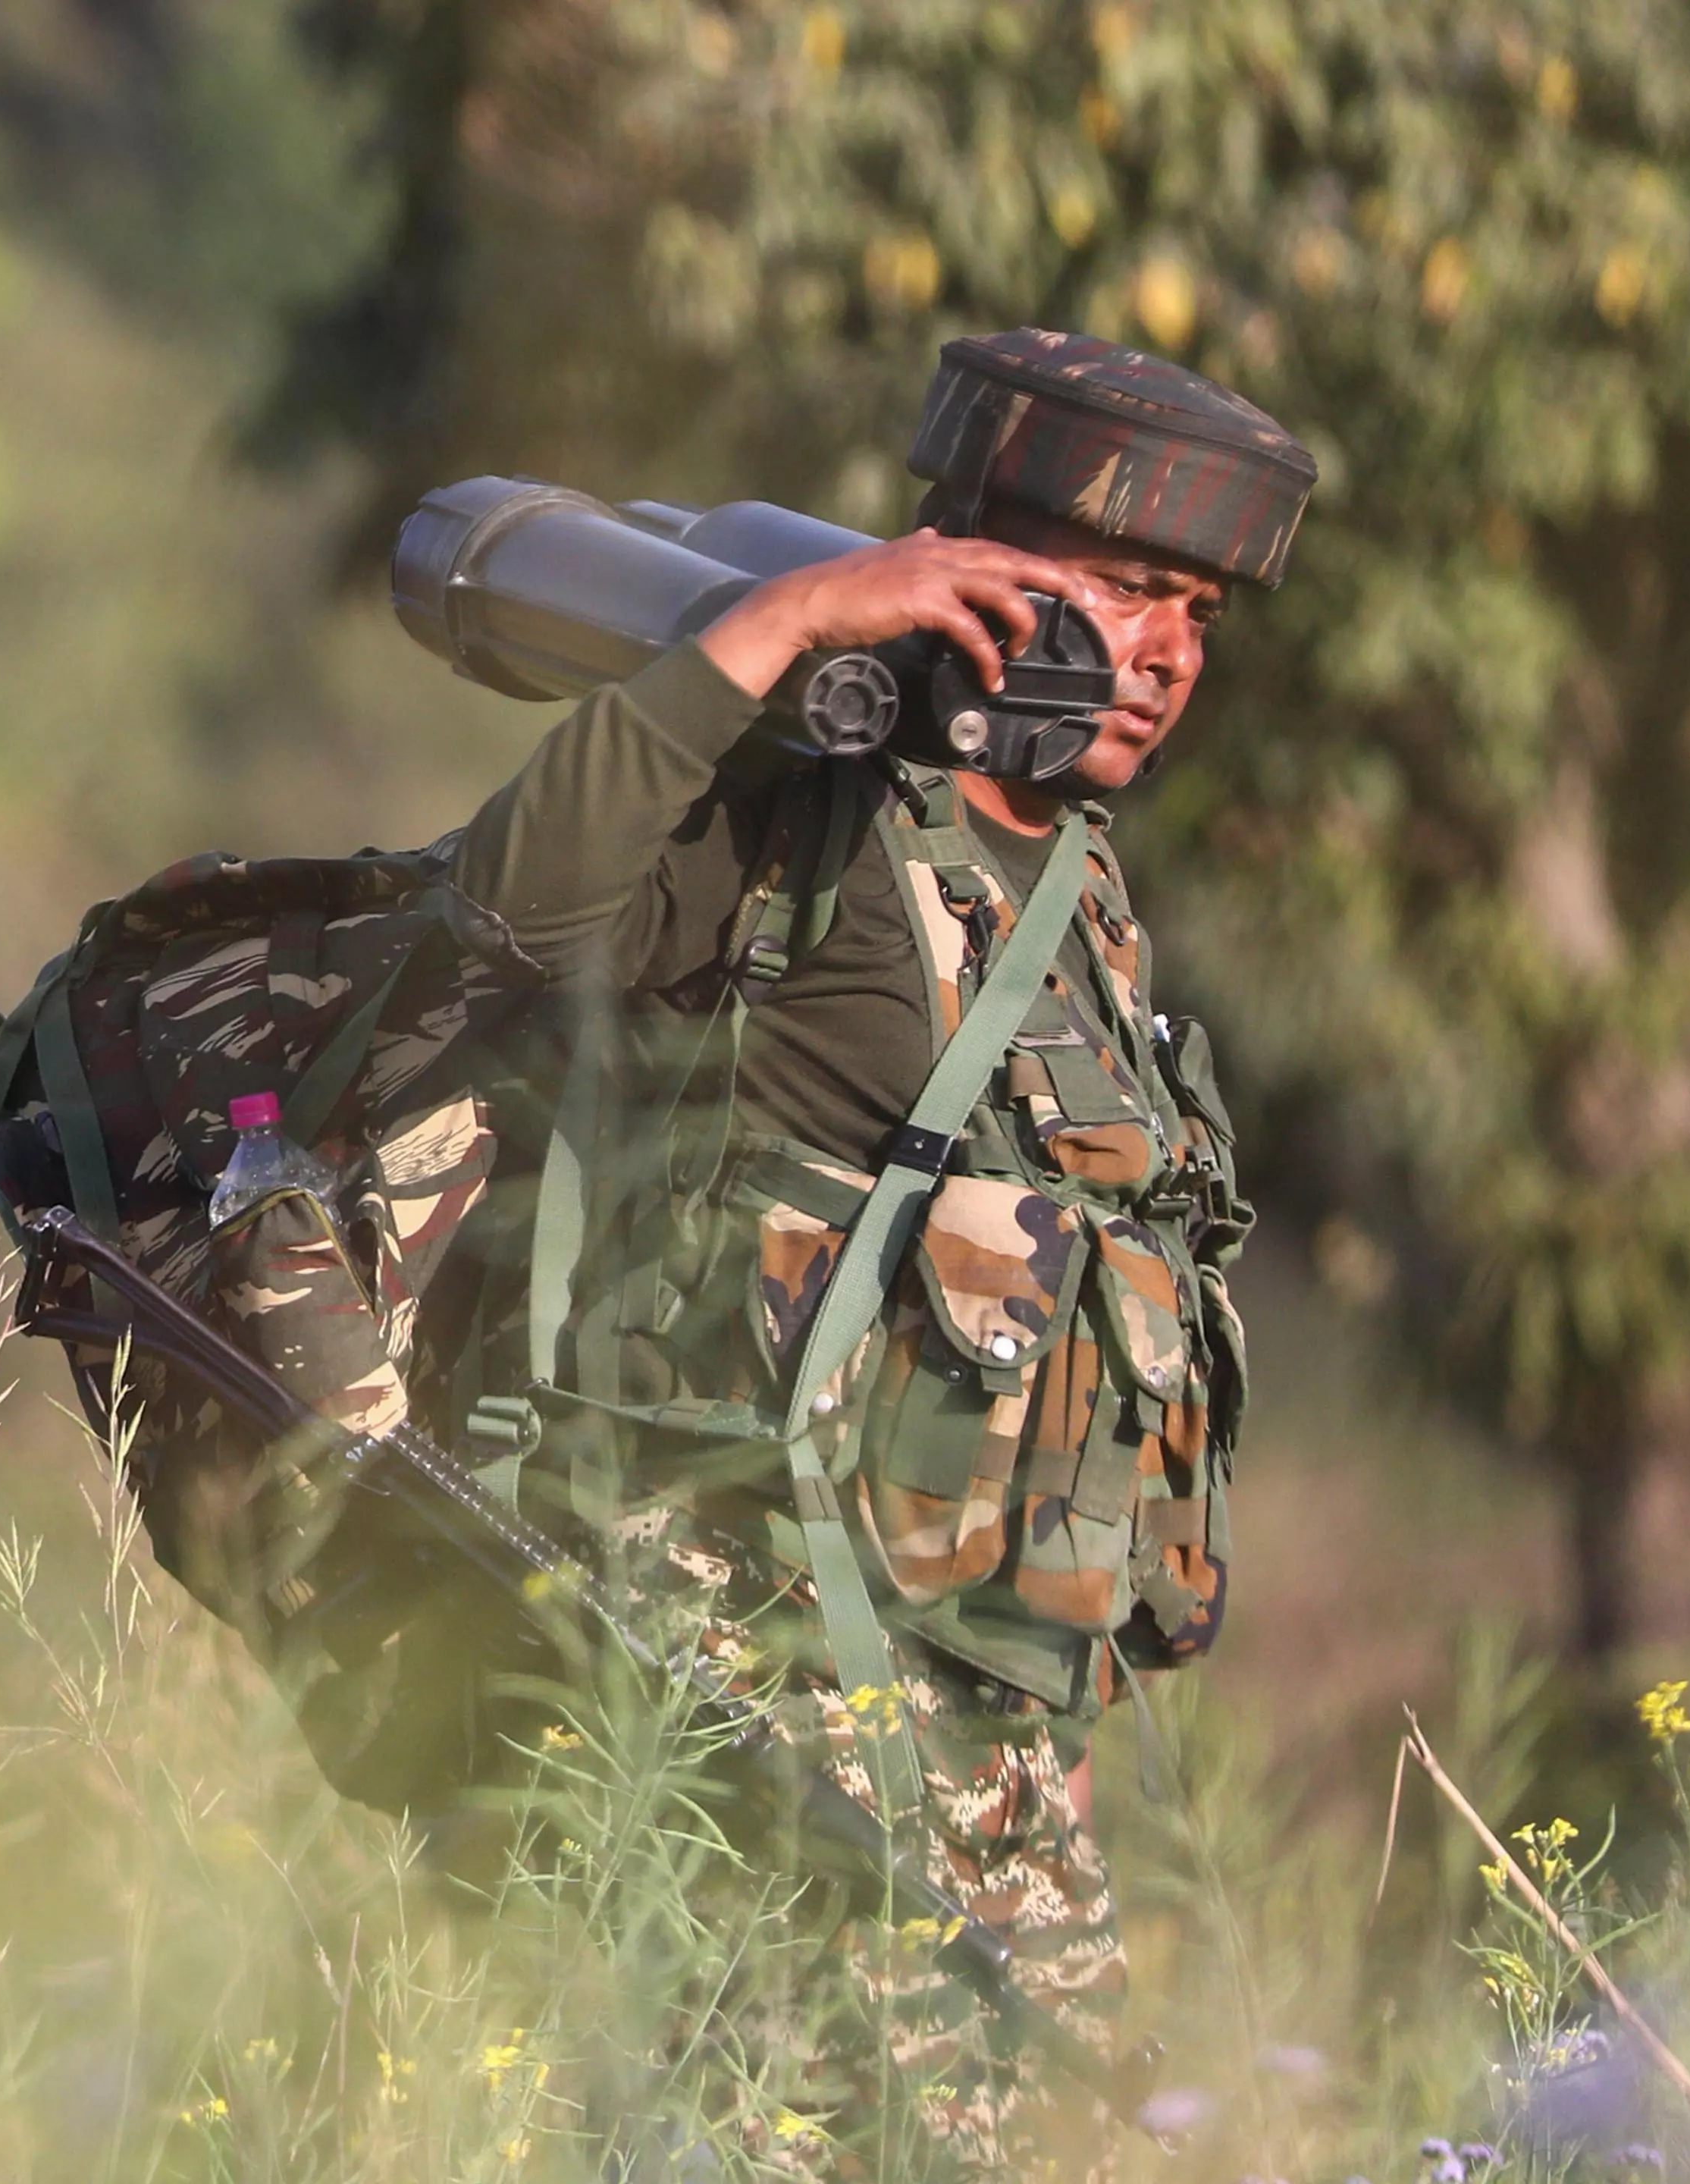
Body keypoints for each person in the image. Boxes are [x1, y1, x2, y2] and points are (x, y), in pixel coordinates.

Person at [451, 328, 1307, 2172]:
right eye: (1134, 592)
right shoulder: (806, 819)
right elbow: (511, 911)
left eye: (1204, 621)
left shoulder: (1079, 887)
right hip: (756, 1657)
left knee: (1086, 2137)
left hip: (972, 1705)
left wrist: (1050, 1730)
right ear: (973, 562)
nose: (1165, 657)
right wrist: (794, 625)